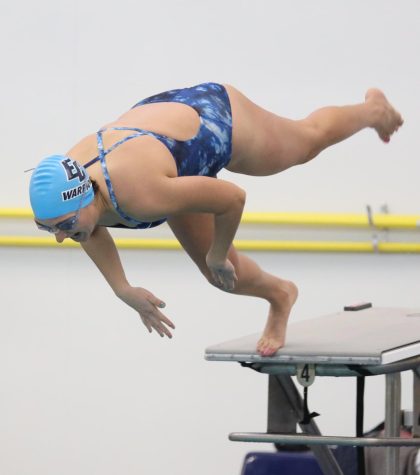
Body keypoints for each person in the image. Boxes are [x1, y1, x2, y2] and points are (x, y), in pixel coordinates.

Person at [29, 82, 403, 356]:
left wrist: (218, 252)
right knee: (224, 281)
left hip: (215, 121)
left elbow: (232, 199)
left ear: (85, 196)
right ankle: (281, 295)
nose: (60, 237)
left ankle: (374, 110)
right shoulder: (75, 189)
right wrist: (123, 289)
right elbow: (89, 231)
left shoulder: (142, 194)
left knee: (306, 142)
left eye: (62, 226)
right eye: (48, 229)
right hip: (166, 147)